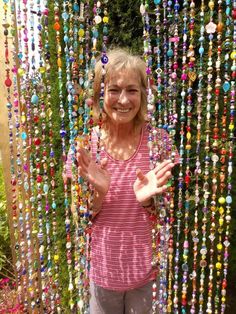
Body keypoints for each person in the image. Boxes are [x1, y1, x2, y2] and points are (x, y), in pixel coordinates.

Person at [67, 49, 178, 314]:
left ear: (143, 94)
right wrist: (99, 194)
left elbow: (169, 213)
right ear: (99, 95)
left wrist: (149, 201)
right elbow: (78, 218)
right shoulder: (84, 147)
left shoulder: (159, 143)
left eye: (132, 90)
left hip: (147, 274)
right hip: (103, 275)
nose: (124, 100)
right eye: (114, 90)